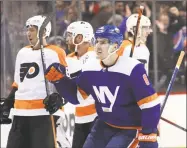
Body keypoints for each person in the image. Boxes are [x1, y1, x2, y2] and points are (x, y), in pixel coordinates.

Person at [44, 25, 161, 148]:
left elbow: (150, 104)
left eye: (103, 42)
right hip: (104, 125)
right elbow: (76, 96)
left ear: (115, 46)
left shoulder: (133, 69)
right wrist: (60, 81)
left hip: (130, 128)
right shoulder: (90, 68)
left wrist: (148, 133)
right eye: (97, 41)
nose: (98, 46)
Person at [3, 15, 70, 148]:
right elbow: (18, 84)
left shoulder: (56, 52)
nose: (28, 33)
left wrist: (60, 98)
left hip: (43, 114)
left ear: (44, 31)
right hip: (20, 114)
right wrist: (7, 104)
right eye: (27, 29)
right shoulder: (22, 53)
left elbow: (66, 83)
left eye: (32, 29)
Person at [64, 21, 98, 148]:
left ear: (79, 38)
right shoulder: (69, 59)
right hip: (80, 118)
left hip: (98, 118)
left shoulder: (95, 56)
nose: (67, 39)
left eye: (70, 35)